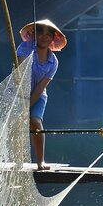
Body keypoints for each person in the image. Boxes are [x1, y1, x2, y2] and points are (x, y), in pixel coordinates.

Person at [16, 19, 67, 170]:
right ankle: (18, 161)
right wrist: (22, 104)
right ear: (35, 35)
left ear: (53, 38)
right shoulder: (26, 48)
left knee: (35, 123)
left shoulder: (53, 62)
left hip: (38, 96)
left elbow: (40, 88)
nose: (44, 37)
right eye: (40, 33)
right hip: (17, 93)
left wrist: (28, 105)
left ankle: (40, 162)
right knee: (17, 125)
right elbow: (20, 72)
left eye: (48, 34)